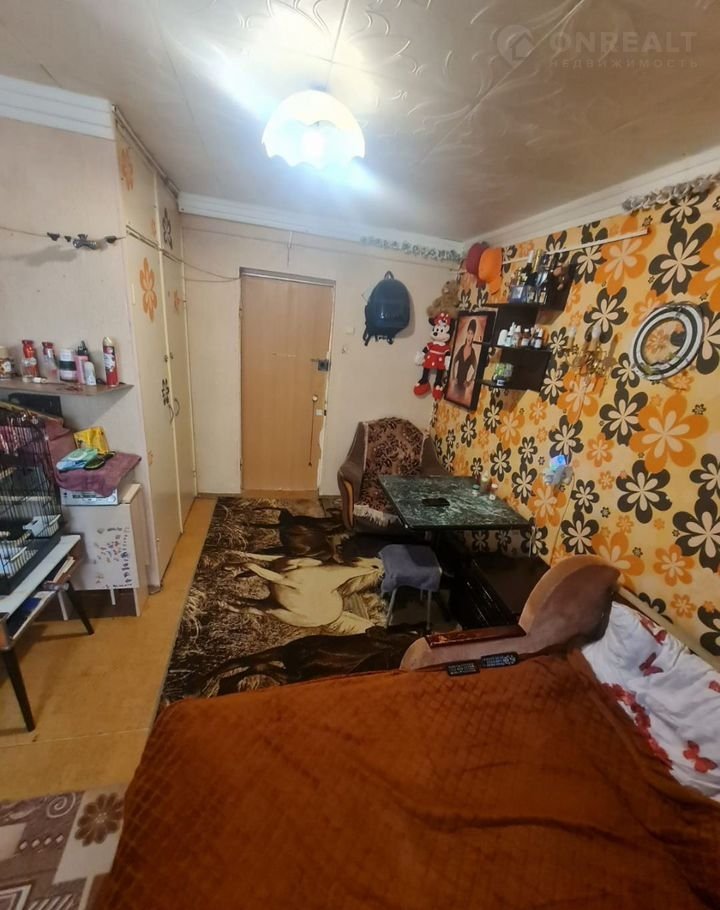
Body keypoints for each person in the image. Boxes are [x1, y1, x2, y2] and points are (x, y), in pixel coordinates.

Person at [452, 319, 478, 388]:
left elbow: (476, 368)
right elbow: (453, 361)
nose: (469, 336)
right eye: (468, 333)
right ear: (466, 333)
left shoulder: (472, 352)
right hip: (456, 384)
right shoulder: (461, 348)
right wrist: (453, 377)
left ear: (473, 335)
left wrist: (469, 381)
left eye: (472, 334)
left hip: (463, 387)